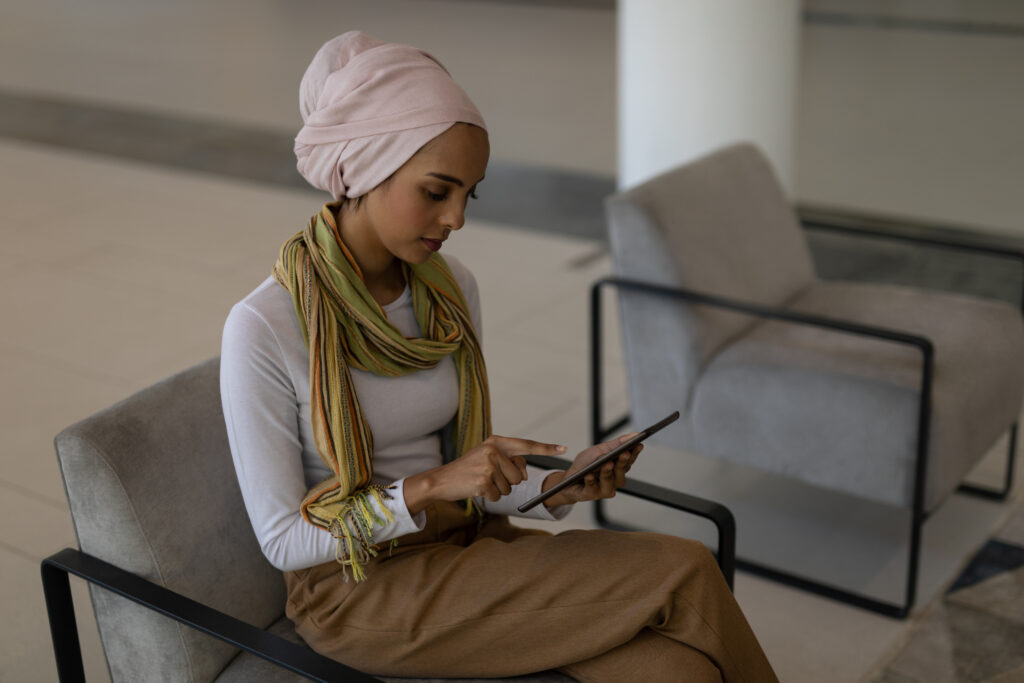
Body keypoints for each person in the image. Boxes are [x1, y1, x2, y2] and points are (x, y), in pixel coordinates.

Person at [220, 31, 779, 683]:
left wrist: (556, 486)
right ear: (362, 166)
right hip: (358, 586)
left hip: (464, 543)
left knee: (678, 670)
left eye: (470, 194)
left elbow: (475, 475)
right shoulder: (265, 323)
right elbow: (283, 537)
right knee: (685, 565)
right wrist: (432, 484)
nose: (456, 217)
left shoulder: (449, 290)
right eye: (436, 191)